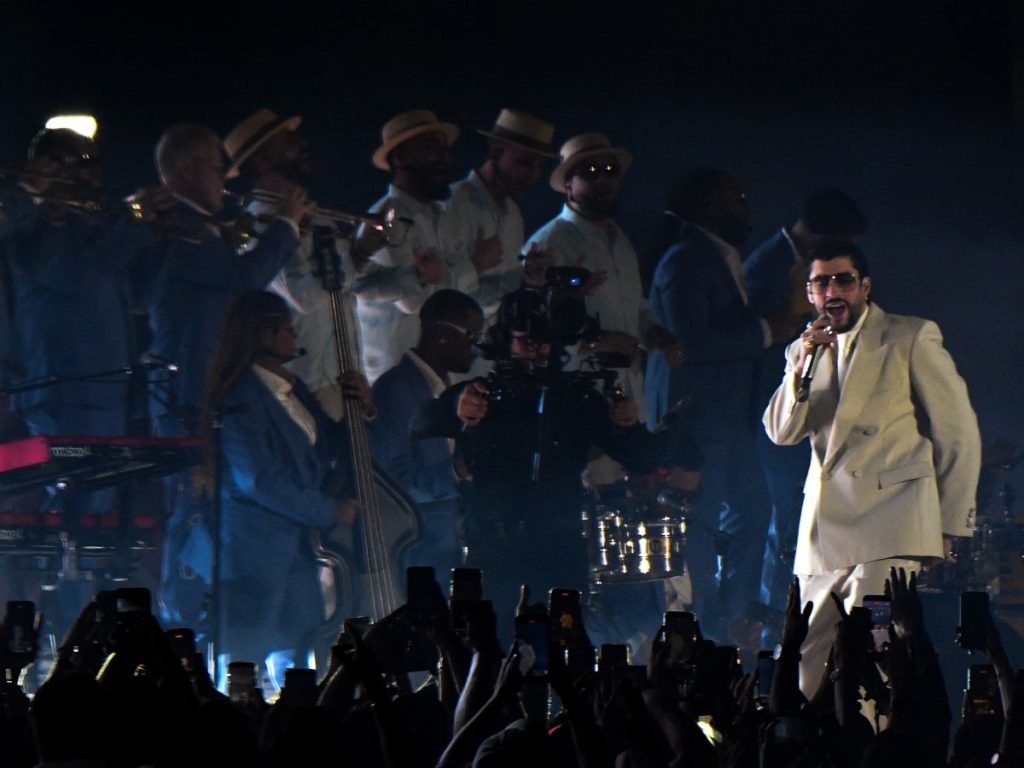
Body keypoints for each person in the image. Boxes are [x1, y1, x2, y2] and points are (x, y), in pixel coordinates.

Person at [414, 284, 701, 634]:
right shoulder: (483, 395)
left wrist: (628, 425)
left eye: (546, 341)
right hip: (494, 549)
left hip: (558, 549)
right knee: (490, 651)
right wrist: (457, 407)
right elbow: (422, 424)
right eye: (526, 341)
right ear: (506, 340)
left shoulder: (576, 400)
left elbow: (641, 457)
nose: (538, 352)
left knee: (559, 653)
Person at [763, 239, 981, 694]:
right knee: (807, 655)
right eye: (821, 282)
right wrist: (801, 364)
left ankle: (872, 748)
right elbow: (781, 433)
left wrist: (949, 521)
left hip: (890, 520)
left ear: (864, 286)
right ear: (810, 293)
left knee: (873, 653)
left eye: (843, 279)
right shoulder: (802, 352)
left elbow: (956, 432)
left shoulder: (910, 336)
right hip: (823, 529)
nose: (832, 290)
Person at [147, 122, 311, 627]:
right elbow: (243, 280)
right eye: (219, 170)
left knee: (205, 510)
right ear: (189, 171)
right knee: (188, 511)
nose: (225, 181)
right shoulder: (179, 228)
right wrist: (286, 225)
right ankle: (180, 620)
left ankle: (203, 621)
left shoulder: (201, 229)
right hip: (184, 394)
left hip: (198, 391)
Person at [645, 167, 798, 641]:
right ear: (710, 205)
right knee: (700, 522)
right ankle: (704, 628)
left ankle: (735, 619)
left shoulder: (715, 255)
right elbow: (688, 342)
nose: (746, 206)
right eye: (738, 198)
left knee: (751, 511)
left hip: (729, 418)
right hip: (697, 421)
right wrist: (768, 331)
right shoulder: (685, 259)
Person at [198, 290, 359, 688]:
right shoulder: (240, 398)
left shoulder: (293, 389)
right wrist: (326, 510)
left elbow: (329, 449)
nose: (292, 333)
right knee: (243, 659)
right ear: (261, 333)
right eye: (285, 327)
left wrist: (361, 407)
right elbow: (258, 479)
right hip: (253, 549)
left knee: (299, 651)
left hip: (296, 547)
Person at [224, 108, 404, 421]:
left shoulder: (318, 215)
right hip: (302, 382)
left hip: (343, 374)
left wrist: (414, 273)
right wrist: (359, 253)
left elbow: (351, 282)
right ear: (263, 160)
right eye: (289, 141)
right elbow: (303, 297)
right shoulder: (258, 223)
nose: (302, 144)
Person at [743, 188, 868, 619]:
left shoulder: (793, 264)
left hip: (808, 408)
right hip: (775, 405)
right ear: (818, 234)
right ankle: (781, 613)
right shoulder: (769, 265)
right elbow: (761, 342)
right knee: (786, 515)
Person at [524, 134, 680, 430]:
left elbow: (635, 305)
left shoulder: (618, 239)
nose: (603, 180)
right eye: (590, 172)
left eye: (610, 171)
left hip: (625, 392)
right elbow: (534, 328)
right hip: (575, 396)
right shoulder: (550, 243)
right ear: (568, 186)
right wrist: (597, 342)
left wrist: (657, 334)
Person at [358, 110, 487, 383]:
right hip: (397, 370)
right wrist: (474, 266)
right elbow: (415, 302)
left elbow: (444, 289)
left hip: (431, 369)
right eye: (429, 149)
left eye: (443, 150)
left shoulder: (438, 215)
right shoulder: (387, 218)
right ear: (400, 158)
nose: (442, 159)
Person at [370, 289, 484, 576]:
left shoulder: (445, 390)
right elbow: (394, 483)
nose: (476, 348)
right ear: (442, 333)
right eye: (471, 336)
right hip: (420, 549)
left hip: (449, 542)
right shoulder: (395, 390)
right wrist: (455, 471)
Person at [439, 108, 556, 319]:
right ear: (495, 153)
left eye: (540, 165)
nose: (534, 175)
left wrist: (529, 276)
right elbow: (442, 294)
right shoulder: (455, 204)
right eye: (524, 162)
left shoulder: (513, 214)